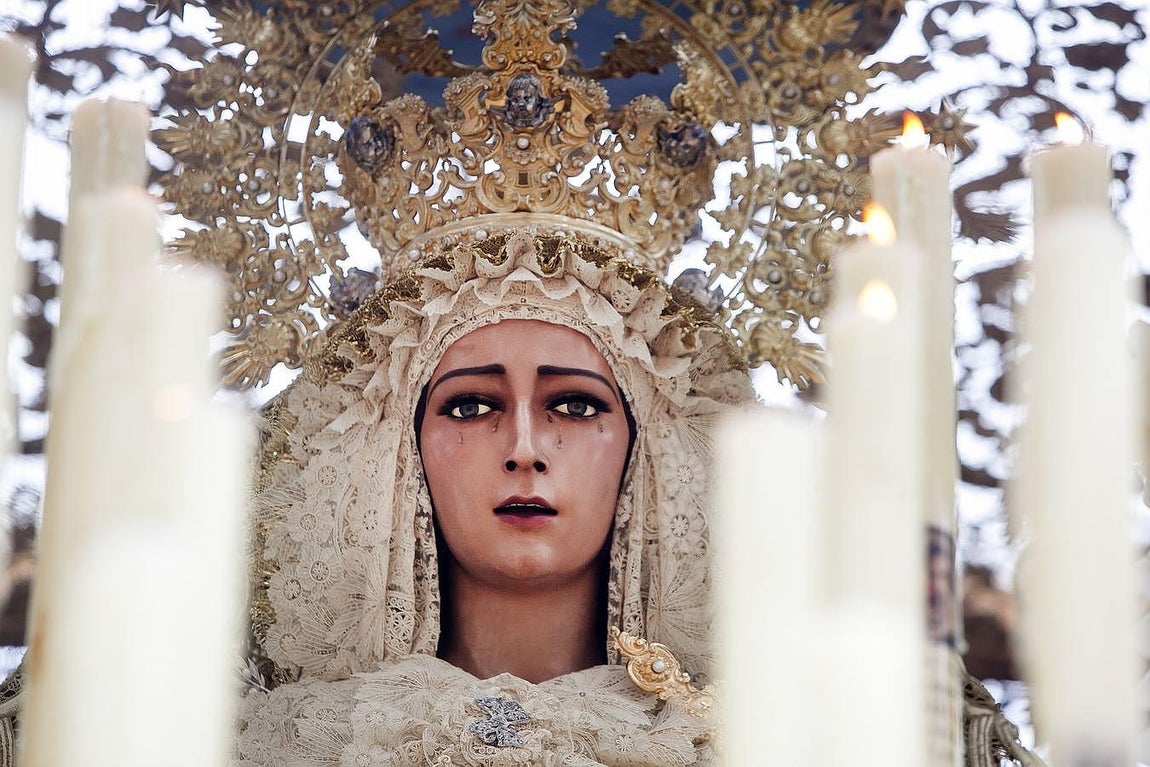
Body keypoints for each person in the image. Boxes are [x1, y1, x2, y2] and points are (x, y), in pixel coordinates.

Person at [237, 229, 753, 765]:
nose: (524, 451)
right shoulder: (292, 744)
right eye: (470, 407)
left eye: (575, 406)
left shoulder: (725, 745)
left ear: (648, 452)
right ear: (400, 454)